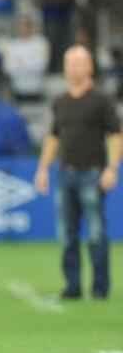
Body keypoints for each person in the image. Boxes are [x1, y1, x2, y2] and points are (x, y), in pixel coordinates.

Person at [33, 46, 122, 300]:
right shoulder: (60, 101)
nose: (73, 68)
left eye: (78, 62)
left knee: (96, 233)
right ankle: (72, 287)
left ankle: (99, 288)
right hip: (65, 173)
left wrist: (112, 168)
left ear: (89, 67)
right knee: (67, 234)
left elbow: (116, 136)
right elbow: (53, 137)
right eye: (69, 63)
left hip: (92, 173)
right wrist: (42, 169)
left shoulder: (101, 100)